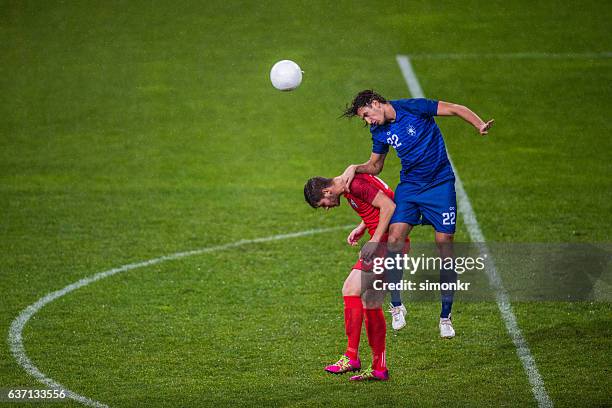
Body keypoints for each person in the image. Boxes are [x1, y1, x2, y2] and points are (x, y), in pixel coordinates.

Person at [340, 90, 494, 338]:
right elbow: (376, 166)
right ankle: (397, 305)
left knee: (444, 244)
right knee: (393, 239)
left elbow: (454, 107)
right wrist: (354, 168)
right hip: (410, 187)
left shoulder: (414, 107)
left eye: (367, 115)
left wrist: (478, 124)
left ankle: (445, 317)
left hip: (440, 185)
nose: (368, 121)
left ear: (376, 103)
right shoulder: (378, 131)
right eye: (364, 119)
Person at [303, 173, 409, 381]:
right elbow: (379, 199)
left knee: (350, 289)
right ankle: (379, 368)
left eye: (323, 203)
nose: (327, 207)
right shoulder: (349, 186)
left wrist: (374, 239)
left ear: (326, 191)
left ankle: (351, 356)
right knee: (371, 302)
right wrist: (363, 227)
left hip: (387, 244)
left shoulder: (356, 184)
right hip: (391, 243)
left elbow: (389, 206)